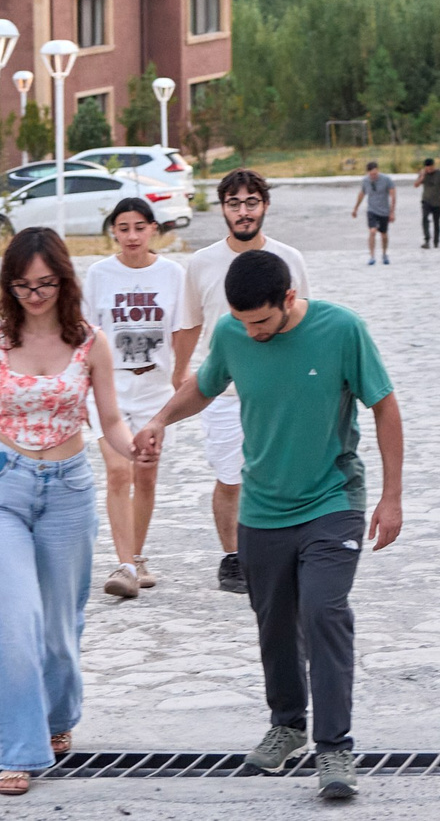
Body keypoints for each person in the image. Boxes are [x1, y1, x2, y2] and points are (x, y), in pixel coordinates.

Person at [132, 250, 402, 805]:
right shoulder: (233, 334)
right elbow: (205, 385)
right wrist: (159, 418)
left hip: (332, 499)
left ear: (288, 299)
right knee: (274, 625)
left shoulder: (342, 329)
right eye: (242, 321)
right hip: (262, 509)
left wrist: (392, 496)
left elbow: (384, 406)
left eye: (261, 321)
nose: (251, 332)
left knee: (324, 612)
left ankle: (334, 745)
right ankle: (288, 725)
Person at [0, 228, 135, 796]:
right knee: (15, 624)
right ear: (8, 285)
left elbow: (111, 420)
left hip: (69, 490)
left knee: (58, 628)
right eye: (22, 285)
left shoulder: (91, 342)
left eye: (45, 283)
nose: (34, 294)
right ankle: (19, 750)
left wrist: (133, 447)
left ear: (64, 281)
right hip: (2, 487)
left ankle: (59, 716)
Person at [171, 169, 309, 595]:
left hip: (279, 390)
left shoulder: (290, 260)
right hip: (224, 392)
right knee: (230, 477)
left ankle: (286, 550)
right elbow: (190, 322)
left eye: (251, 202)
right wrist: (180, 374)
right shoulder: (201, 263)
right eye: (234, 203)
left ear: (265, 205)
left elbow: (303, 320)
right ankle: (234, 558)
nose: (243, 212)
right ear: (223, 209)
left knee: (281, 474)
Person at [80, 197, 186, 600]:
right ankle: (124, 566)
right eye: (123, 228)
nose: (131, 236)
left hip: (155, 389)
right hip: (111, 388)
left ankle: (136, 556)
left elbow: (182, 329)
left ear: (154, 229)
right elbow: (86, 333)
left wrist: (181, 374)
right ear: (113, 232)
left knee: (145, 474)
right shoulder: (99, 275)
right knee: (118, 471)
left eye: (139, 227)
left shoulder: (173, 274)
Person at [351, 162, 397, 266]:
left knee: (383, 234)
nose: (374, 176)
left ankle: (384, 254)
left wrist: (392, 212)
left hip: (384, 211)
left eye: (375, 174)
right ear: (368, 173)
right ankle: (372, 256)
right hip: (372, 210)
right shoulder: (365, 181)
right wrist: (355, 208)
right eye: (371, 174)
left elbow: (393, 195)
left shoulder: (386, 180)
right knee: (372, 231)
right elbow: (362, 194)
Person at [415, 158, 440, 249]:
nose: (429, 170)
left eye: (431, 167)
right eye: (427, 168)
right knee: (424, 218)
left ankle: (436, 241)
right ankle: (427, 240)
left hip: (437, 201)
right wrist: (422, 177)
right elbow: (416, 185)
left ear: (433, 166)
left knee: (436, 222)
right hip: (426, 200)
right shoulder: (423, 173)